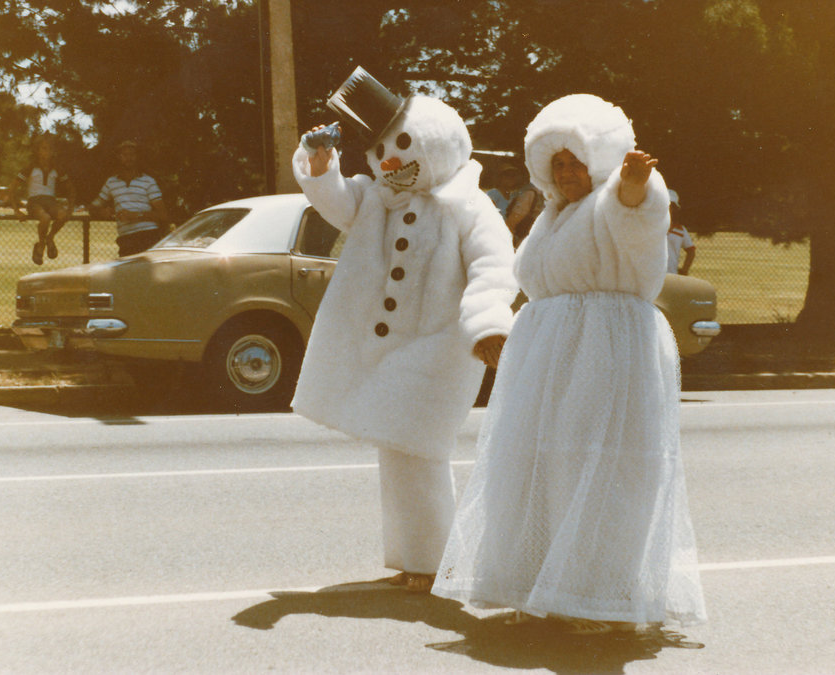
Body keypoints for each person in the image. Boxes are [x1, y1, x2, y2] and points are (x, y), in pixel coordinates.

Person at [433, 94, 707, 632]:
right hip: (551, 353)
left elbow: (638, 216)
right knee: (537, 465)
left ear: (599, 161)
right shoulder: (552, 216)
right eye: (556, 163)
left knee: (599, 468)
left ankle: (595, 598)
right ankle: (537, 587)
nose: (565, 173)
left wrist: (632, 183)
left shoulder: (616, 200)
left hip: (604, 351)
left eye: (575, 161)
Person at [291, 67, 517, 593]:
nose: (389, 160)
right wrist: (323, 167)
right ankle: (421, 560)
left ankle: (439, 562)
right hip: (393, 349)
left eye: (402, 145)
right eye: (381, 151)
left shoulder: (468, 206)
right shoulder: (379, 198)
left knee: (417, 449)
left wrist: (487, 325)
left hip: (441, 347)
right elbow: (337, 201)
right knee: (399, 450)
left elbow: (493, 267)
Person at [89, 140, 169, 257]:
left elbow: (163, 214)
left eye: (132, 154)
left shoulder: (148, 181)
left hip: (148, 236)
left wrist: (136, 215)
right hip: (126, 239)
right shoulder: (111, 182)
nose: (128, 158)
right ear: (118, 158)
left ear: (137, 157)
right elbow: (92, 207)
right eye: (124, 155)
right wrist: (101, 212)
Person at [11, 134, 75, 265]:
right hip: (35, 202)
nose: (47, 152)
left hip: (51, 201)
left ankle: (50, 238)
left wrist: (70, 208)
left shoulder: (57, 168)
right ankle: (40, 246)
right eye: (44, 148)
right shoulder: (30, 168)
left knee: (63, 215)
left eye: (50, 149)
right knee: (45, 218)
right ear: (38, 150)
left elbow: (71, 189)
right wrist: (16, 210)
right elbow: (12, 188)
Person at [504, 180, 544, 248]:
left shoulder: (530, 193)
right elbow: (512, 222)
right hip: (527, 243)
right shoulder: (531, 193)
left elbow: (511, 223)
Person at [667, 189, 696, 275]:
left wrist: (684, 270)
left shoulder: (681, 230)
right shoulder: (651, 227)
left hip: (672, 275)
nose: (668, 209)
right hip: (652, 278)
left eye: (671, 206)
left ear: (674, 209)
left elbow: (691, 251)